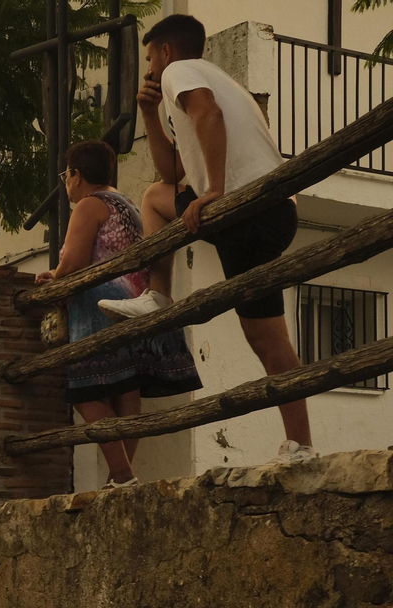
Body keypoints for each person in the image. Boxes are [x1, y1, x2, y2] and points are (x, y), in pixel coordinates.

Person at [98, 13, 314, 464]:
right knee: (266, 339)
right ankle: (302, 444)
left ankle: (158, 295)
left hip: (247, 206)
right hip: (270, 214)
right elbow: (173, 172)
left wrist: (214, 190)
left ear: (167, 52)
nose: (150, 69)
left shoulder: (182, 72)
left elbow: (208, 115)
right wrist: (148, 115)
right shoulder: (213, 81)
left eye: (150, 57)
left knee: (154, 200)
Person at [35, 140, 202, 487]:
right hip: (134, 303)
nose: (67, 183)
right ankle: (120, 477)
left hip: (100, 310)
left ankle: (123, 474)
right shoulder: (129, 205)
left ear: (77, 175)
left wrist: (55, 274)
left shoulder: (89, 205)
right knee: (127, 391)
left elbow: (76, 262)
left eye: (67, 175)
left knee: (87, 393)